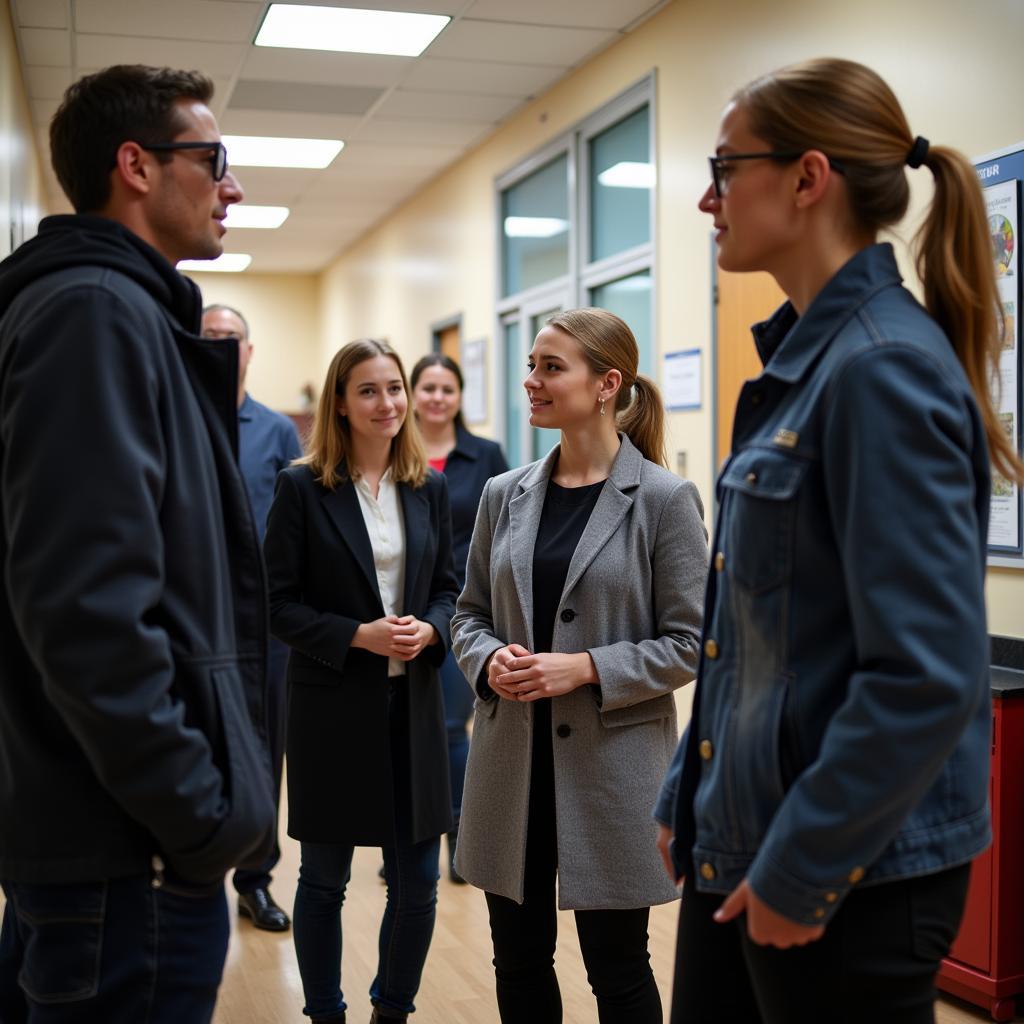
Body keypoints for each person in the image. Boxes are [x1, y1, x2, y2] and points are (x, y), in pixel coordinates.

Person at [655, 57, 1024, 1024]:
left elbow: (926, 674)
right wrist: (685, 790)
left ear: (808, 179)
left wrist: (803, 866)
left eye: (725, 168)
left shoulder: (881, 370)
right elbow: (759, 641)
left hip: (846, 873)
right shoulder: (798, 366)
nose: (708, 197)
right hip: (745, 833)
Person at [0, 65, 276, 1023]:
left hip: (115, 843)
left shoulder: (122, 315)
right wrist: (194, 816)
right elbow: (85, 611)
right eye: (214, 161)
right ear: (137, 168)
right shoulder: (93, 315)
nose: (231, 187)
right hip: (127, 851)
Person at [451, 308, 708, 1023]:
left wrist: (587, 668)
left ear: (606, 384)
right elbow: (466, 613)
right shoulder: (505, 494)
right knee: (519, 961)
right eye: (532, 365)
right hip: (512, 768)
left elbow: (691, 642)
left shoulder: (663, 500)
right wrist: (488, 657)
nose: (530, 381)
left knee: (619, 970)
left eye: (549, 368)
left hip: (611, 772)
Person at [264, 339, 459, 1024]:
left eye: (395, 387)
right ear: (340, 404)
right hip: (331, 709)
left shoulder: (428, 486)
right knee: (323, 881)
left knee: (421, 883)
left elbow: (449, 587)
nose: (389, 403)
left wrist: (431, 629)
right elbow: (276, 603)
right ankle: (325, 1013)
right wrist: (357, 635)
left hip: (414, 705)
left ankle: (391, 1012)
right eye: (369, 390)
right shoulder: (301, 485)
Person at [202, 303, 303, 931]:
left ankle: (256, 879)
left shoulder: (275, 432)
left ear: (249, 350)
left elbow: (296, 528)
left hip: (264, 623)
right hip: (189, 616)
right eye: (208, 337)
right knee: (197, 742)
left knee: (265, 752)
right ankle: (190, 874)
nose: (219, 347)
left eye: (229, 338)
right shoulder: (173, 413)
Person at [409, 353, 508, 882]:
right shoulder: (394, 450)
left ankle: (457, 835)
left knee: (450, 726)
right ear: (413, 393)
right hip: (400, 611)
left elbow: (509, 527)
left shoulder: (485, 455)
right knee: (404, 726)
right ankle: (410, 838)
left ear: (459, 396)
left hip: (463, 607)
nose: (437, 398)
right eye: (428, 387)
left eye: (448, 388)